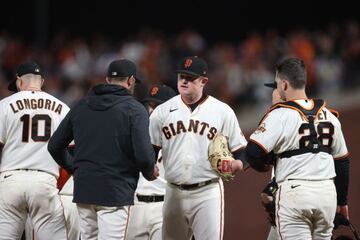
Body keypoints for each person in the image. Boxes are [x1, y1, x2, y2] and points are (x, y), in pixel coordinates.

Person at [47, 59, 159, 240]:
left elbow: (54, 145)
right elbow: (144, 157)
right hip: (116, 191)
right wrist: (149, 172)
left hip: (85, 189)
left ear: (107, 79)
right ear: (130, 80)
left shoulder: (82, 105)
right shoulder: (135, 109)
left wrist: (74, 168)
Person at [243, 57, 350, 239]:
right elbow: (342, 162)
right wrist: (342, 202)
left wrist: (267, 162)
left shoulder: (280, 115)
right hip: (327, 195)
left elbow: (252, 153)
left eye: (277, 85)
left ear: (284, 85)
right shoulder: (330, 117)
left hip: (295, 195)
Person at [149, 56, 247, 240]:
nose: (184, 81)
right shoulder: (162, 111)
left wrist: (238, 163)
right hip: (173, 192)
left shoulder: (222, 111)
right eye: (181, 76)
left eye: (190, 77)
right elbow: (151, 150)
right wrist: (149, 165)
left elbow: (241, 150)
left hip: (207, 193)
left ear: (204, 81)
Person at [0, 61, 68, 239]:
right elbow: (70, 152)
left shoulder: (4, 105)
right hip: (44, 181)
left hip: (10, 180)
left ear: (18, 82)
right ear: (42, 81)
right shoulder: (62, 108)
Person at [127, 85, 176, 240]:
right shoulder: (135, 132)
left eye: (158, 106)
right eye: (151, 105)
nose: (152, 110)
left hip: (165, 205)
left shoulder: (181, 134)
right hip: (135, 205)